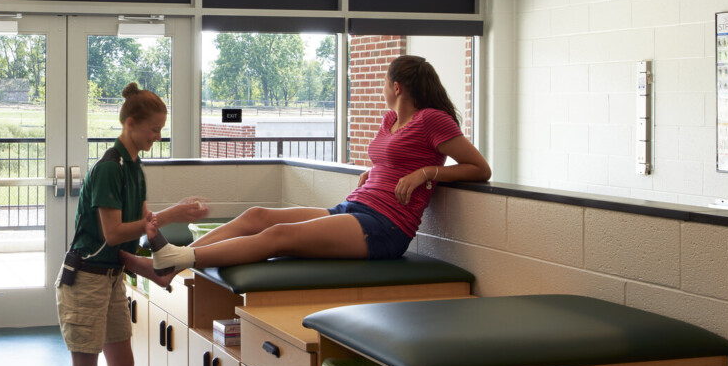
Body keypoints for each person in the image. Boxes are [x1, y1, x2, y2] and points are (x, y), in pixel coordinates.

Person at [149, 55, 491, 272]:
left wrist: (426, 173)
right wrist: (377, 171)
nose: (383, 88)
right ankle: (176, 258)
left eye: (385, 83)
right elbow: (396, 155)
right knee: (257, 215)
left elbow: (479, 168)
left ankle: (178, 262)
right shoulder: (390, 120)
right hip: (356, 207)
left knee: (279, 235)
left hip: (387, 226)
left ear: (396, 86)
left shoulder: (433, 120)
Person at [59, 82, 208, 366]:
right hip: (84, 281)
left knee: (122, 364)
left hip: (109, 278)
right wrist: (173, 213)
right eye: (154, 129)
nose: (157, 136)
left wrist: (155, 271)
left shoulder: (134, 168)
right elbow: (111, 233)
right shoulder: (109, 167)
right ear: (130, 123)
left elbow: (126, 248)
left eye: (161, 130)